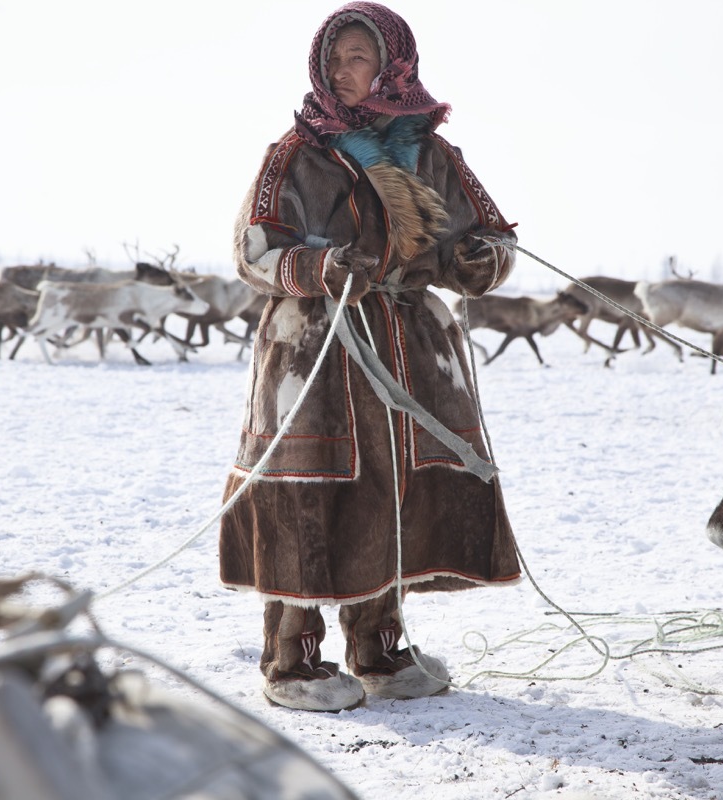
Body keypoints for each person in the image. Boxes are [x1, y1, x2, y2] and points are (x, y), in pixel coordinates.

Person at [219, 1, 521, 712]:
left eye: (358, 57)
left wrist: (478, 260)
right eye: (335, 59)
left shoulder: (433, 156)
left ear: (394, 65)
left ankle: (379, 648)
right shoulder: (293, 156)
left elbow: (491, 241)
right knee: (308, 487)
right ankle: (291, 660)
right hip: (314, 354)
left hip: (405, 348)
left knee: (393, 487)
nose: (343, 71)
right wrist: (321, 269)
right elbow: (252, 251)